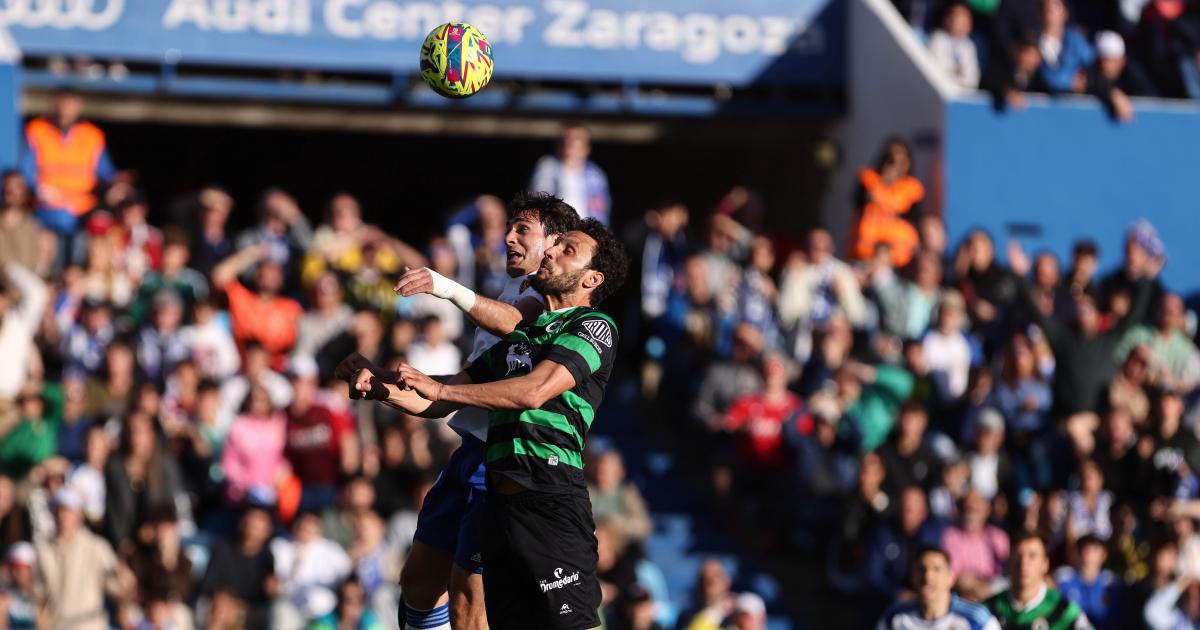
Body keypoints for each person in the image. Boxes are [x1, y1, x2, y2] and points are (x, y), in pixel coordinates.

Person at [340, 217, 627, 630]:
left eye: (567, 250)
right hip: (499, 500)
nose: (549, 252)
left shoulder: (593, 327)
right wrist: (379, 385)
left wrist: (439, 392)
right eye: (554, 245)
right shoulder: (519, 341)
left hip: (549, 496)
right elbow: (442, 397)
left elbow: (530, 391)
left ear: (592, 279)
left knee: (570, 624)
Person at [383, 192, 578, 630]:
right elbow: (449, 396)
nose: (507, 237)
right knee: (417, 583)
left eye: (521, 229)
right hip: (470, 453)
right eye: (509, 227)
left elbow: (513, 322)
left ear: (552, 243)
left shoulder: (547, 303)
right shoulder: (509, 291)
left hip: (507, 465)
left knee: (469, 603)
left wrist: (445, 286)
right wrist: (380, 387)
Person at [21, 90, 117, 268]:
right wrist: (37, 188)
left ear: (80, 106)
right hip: (45, 212)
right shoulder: (37, 129)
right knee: (47, 266)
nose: (66, 107)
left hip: (81, 212)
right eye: (62, 102)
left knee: (77, 265)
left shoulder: (92, 135)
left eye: (71, 103)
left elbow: (106, 172)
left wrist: (117, 185)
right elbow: (26, 171)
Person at [34, 487, 133, 630]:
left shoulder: (97, 547)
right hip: (56, 624)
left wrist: (124, 577)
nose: (63, 516)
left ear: (79, 514)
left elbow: (119, 587)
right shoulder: (43, 549)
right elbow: (39, 594)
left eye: (68, 511)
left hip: (89, 624)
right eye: (59, 510)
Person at [211, 243, 305, 371]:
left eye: (275, 271)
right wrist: (251, 254)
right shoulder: (241, 298)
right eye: (266, 269)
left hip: (277, 372)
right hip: (240, 368)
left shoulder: (291, 308)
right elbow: (219, 276)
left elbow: (297, 345)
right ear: (257, 274)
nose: (270, 275)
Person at [877, 545, 1001, 629]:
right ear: (912, 577)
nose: (928, 576)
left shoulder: (976, 619)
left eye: (936, 569)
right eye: (922, 569)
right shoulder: (895, 617)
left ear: (951, 578)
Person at [985, 533, 1090, 630]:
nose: (1024, 564)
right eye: (1018, 556)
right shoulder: (988, 610)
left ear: (1045, 564)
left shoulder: (1063, 611)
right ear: (1009, 561)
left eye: (1032, 556)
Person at [852, 139, 924, 267]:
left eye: (900, 161)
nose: (895, 166)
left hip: (899, 256)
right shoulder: (869, 179)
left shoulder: (913, 187)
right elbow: (856, 203)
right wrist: (883, 182)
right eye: (891, 160)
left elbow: (915, 218)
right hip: (866, 253)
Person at [530, 124, 611, 225]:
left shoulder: (595, 174)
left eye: (576, 138)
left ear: (587, 147)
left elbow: (601, 210)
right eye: (566, 138)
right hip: (555, 229)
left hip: (585, 231)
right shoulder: (547, 166)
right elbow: (538, 202)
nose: (569, 142)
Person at [1054, 535, 1120, 629]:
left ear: (1104, 554)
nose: (1089, 553)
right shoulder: (1064, 579)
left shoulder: (1110, 582)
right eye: (1085, 548)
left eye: (1095, 549)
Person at [929, 2, 982, 88]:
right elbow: (939, 73)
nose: (961, 26)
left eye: (965, 22)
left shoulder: (969, 45)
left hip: (963, 92)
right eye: (958, 21)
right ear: (948, 20)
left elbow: (973, 78)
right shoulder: (938, 39)